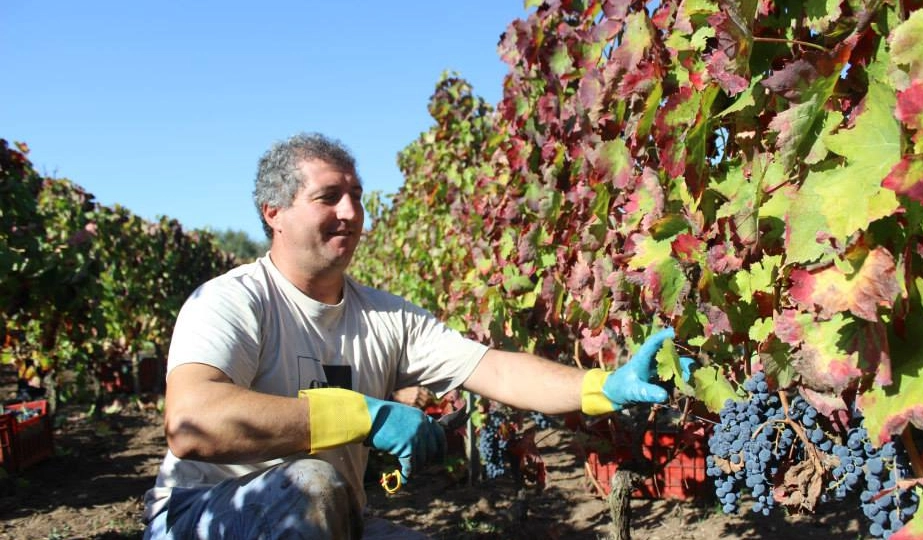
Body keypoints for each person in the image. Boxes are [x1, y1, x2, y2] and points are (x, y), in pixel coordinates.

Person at [141, 132, 691, 540]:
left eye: (356, 195)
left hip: (332, 521)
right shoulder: (233, 300)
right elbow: (193, 423)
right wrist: (365, 416)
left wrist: (603, 386)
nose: (352, 213)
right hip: (201, 516)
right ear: (274, 213)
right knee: (308, 482)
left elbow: (493, 368)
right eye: (328, 197)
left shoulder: (385, 317)